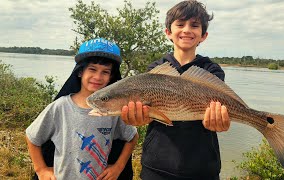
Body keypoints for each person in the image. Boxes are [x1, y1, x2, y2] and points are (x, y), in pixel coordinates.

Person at [121, 1, 230, 179]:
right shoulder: (155, 69)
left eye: (194, 25)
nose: (187, 30)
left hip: (202, 169)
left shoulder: (212, 70)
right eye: (180, 24)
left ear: (203, 35)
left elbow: (218, 115)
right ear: (168, 32)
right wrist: (140, 118)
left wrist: (220, 122)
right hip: (156, 167)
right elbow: (148, 116)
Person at [26, 38, 138, 180]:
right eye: (92, 69)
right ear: (80, 72)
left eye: (105, 72)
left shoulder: (113, 110)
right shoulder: (60, 107)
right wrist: (41, 169)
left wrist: (118, 167)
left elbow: (132, 137)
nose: (97, 77)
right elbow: (32, 137)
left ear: (111, 77)